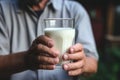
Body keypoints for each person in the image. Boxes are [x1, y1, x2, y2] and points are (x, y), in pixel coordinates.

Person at [0, 0, 99, 80]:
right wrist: (26, 59)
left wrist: (83, 63)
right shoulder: (3, 9)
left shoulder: (75, 10)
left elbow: (93, 63)